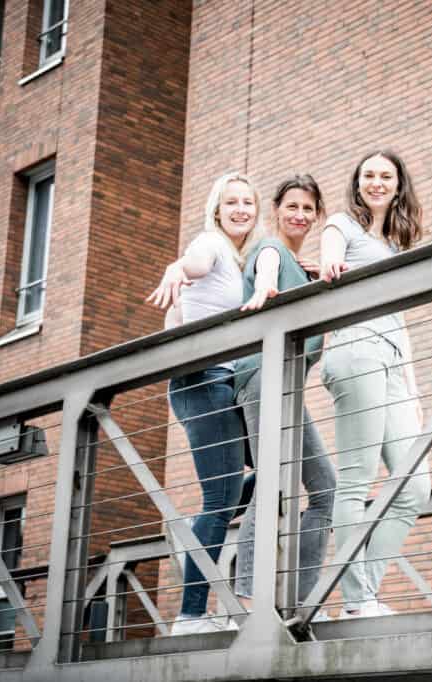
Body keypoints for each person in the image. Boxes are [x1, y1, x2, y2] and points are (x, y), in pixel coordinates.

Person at [146, 171, 264, 635]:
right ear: (217, 208)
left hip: (225, 382)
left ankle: (201, 546)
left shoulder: (240, 260)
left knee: (273, 470)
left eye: (248, 203)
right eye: (231, 201)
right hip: (205, 380)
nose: (240, 209)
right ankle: (191, 615)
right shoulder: (210, 243)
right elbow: (192, 265)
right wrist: (178, 269)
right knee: (220, 497)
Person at [318, 150, 431, 618]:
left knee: (414, 486)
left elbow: (400, 321)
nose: (377, 182)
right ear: (357, 182)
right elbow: (329, 257)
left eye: (386, 176)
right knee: (356, 480)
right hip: (356, 349)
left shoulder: (397, 244)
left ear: (399, 183)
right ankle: (358, 600)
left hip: (393, 362)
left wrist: (414, 387)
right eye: (369, 175)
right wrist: (330, 267)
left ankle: (361, 592)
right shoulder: (342, 226)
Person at [232, 175, 337, 617]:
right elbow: (269, 266)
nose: (300, 215)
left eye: (308, 209)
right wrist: (264, 288)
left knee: (325, 488)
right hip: (264, 379)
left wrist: (311, 274)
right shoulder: (270, 251)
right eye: (292, 206)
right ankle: (249, 600)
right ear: (277, 209)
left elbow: (286, 267)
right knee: (272, 484)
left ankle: (300, 602)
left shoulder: (300, 266)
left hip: (289, 387)